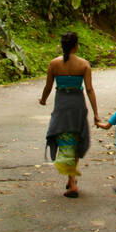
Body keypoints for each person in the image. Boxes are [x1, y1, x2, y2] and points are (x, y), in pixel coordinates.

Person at [39, 32, 99, 197]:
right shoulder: (84, 64)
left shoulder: (54, 64)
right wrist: (96, 114)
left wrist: (43, 100)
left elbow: (48, 87)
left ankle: (72, 183)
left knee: (64, 138)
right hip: (77, 105)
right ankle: (71, 178)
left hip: (62, 105)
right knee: (75, 137)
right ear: (75, 46)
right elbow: (89, 90)